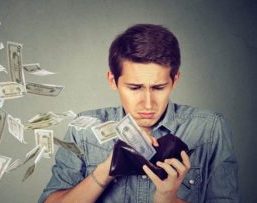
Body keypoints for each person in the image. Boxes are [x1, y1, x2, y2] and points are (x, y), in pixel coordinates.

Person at [38, 24, 239, 203]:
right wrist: (107, 169)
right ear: (112, 81)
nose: (148, 104)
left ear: (175, 80)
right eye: (134, 88)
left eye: (159, 87)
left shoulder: (209, 129)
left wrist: (168, 200)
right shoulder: (83, 130)